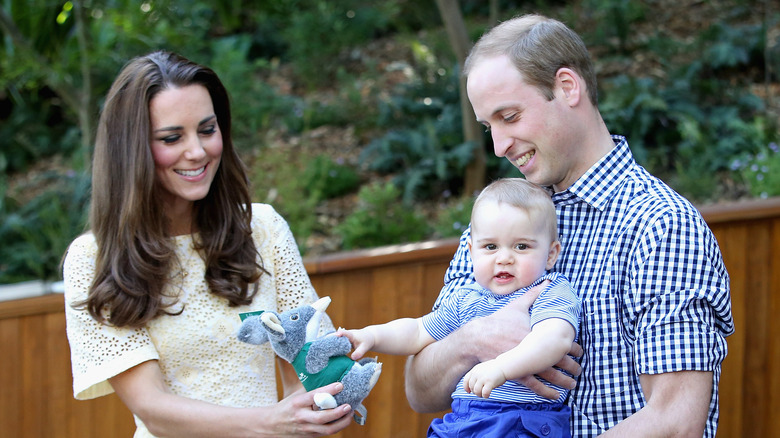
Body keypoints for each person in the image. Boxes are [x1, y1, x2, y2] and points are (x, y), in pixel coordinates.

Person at [404, 14, 734, 438]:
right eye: (489, 127)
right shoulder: (499, 224)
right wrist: (473, 338)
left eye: (510, 116)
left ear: (567, 87)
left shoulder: (661, 225)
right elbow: (419, 391)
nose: (499, 146)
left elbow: (675, 422)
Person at [62, 51, 353, 438]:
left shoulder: (262, 227)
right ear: (129, 149)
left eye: (206, 129)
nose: (197, 151)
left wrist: (316, 408)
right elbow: (154, 410)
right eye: (171, 137)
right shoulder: (93, 260)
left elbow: (307, 362)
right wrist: (275, 422)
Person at [338, 178, 581, 437]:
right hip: (463, 419)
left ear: (551, 254)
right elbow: (417, 331)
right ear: (471, 252)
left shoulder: (549, 290)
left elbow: (554, 338)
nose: (504, 258)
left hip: (521, 420)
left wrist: (501, 368)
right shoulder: (467, 298)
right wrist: (372, 336)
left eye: (521, 246)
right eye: (490, 247)